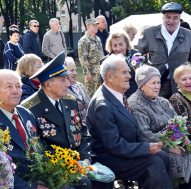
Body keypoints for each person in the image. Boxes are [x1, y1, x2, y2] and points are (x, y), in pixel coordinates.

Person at [21, 52, 113, 189]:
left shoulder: (70, 101)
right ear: (48, 84)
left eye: (67, 79)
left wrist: (85, 159)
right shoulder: (30, 109)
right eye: (63, 80)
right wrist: (70, 165)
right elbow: (36, 148)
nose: (68, 84)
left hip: (79, 162)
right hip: (55, 168)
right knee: (84, 184)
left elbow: (82, 132)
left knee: (106, 180)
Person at [86, 54, 174, 189]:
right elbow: (113, 145)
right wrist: (145, 148)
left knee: (163, 156)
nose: (130, 76)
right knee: (154, 162)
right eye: (124, 72)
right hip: (111, 158)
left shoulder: (115, 94)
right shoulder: (102, 105)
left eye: (128, 71)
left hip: (124, 152)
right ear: (109, 76)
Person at [128, 65, 191, 188]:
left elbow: (177, 121)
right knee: (180, 160)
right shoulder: (135, 104)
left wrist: (183, 136)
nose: (157, 86)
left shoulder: (161, 101)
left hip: (174, 141)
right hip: (155, 147)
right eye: (153, 83)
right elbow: (144, 134)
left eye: (159, 82)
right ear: (142, 85)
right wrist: (168, 147)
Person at [136, 2, 191, 100]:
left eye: (175, 18)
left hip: (181, 87)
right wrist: (142, 75)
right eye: (168, 17)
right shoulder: (150, 33)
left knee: (180, 115)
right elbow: (135, 55)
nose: (171, 21)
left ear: (179, 19)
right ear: (163, 18)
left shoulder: (189, 36)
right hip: (157, 87)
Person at [0, 69, 48, 189]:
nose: (15, 91)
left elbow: (39, 146)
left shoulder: (25, 113)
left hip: (42, 177)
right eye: (9, 87)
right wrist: (33, 187)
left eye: (18, 86)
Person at [100, 30, 140, 98]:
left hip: (136, 96)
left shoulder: (136, 56)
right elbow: (104, 86)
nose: (118, 48)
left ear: (126, 43)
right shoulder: (105, 62)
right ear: (111, 46)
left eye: (121, 44)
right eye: (115, 45)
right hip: (116, 98)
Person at [78, 18, 104, 99]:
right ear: (88, 27)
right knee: (91, 96)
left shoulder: (98, 39)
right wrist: (87, 73)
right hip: (91, 73)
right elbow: (83, 58)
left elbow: (101, 55)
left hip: (100, 72)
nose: (96, 27)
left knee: (100, 94)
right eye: (94, 25)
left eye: (96, 25)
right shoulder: (83, 40)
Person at [65, 56, 90, 121]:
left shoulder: (80, 86)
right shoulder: (63, 90)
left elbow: (90, 106)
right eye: (72, 70)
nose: (76, 73)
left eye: (75, 70)